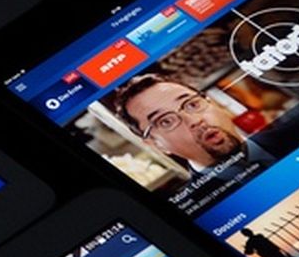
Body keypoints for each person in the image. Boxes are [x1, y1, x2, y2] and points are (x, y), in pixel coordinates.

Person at [114, 74, 273, 181]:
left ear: (213, 103)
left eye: (192, 104)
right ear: (156, 144)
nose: (194, 120)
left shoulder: (287, 135)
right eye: (165, 121)